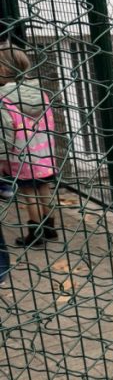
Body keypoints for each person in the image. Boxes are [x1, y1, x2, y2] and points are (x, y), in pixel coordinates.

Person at [0, 46, 58, 248]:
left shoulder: (4, 99)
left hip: (21, 155)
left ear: (2, 70)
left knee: (28, 193)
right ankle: (50, 227)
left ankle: (35, 233)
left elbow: (5, 133)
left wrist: (2, 158)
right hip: (44, 152)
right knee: (44, 188)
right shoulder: (40, 93)